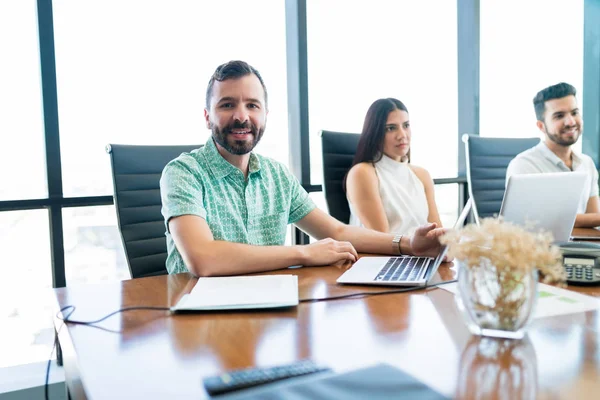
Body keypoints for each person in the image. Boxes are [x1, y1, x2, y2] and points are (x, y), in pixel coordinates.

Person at [159, 60, 446, 276]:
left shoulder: (277, 175)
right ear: (207, 116)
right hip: (197, 317)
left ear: (266, 115)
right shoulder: (184, 172)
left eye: (252, 105)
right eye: (227, 105)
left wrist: (410, 244)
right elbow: (203, 258)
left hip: (267, 307)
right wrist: (304, 253)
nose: (241, 116)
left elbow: (338, 231)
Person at [506, 82, 600, 228]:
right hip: (542, 248)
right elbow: (533, 221)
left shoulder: (587, 163)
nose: (570, 121)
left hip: (583, 247)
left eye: (574, 112)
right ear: (541, 126)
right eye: (559, 116)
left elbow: (594, 218)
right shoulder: (524, 165)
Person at [345, 98, 442, 235]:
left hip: (419, 253)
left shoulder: (421, 175)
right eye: (391, 128)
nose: (402, 135)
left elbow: (437, 230)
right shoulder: (363, 173)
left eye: (406, 125)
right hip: (384, 255)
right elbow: (382, 238)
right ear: (375, 133)